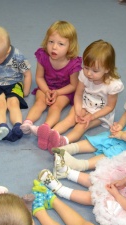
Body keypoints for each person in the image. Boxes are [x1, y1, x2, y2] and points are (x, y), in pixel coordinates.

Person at [54, 55, 126, 172]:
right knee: (105, 138)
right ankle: (67, 149)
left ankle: (81, 165)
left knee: (118, 151)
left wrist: (122, 135)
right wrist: (120, 126)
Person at [43, 40, 124, 153]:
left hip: (100, 113)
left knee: (81, 126)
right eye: (86, 67)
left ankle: (64, 142)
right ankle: (50, 134)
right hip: (84, 104)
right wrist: (78, 110)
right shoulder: (84, 75)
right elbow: (78, 94)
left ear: (107, 69)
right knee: (69, 119)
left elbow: (109, 107)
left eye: (95, 70)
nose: (89, 73)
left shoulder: (113, 85)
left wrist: (92, 116)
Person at [20, 20, 82, 149]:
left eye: (61, 44)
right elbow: (39, 77)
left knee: (56, 107)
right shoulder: (43, 56)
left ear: (70, 46)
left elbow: (73, 85)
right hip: (46, 86)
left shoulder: (73, 63)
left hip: (64, 90)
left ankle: (45, 128)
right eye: (51, 42)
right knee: (39, 102)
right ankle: (27, 123)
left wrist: (58, 92)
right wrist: (47, 91)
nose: (54, 47)